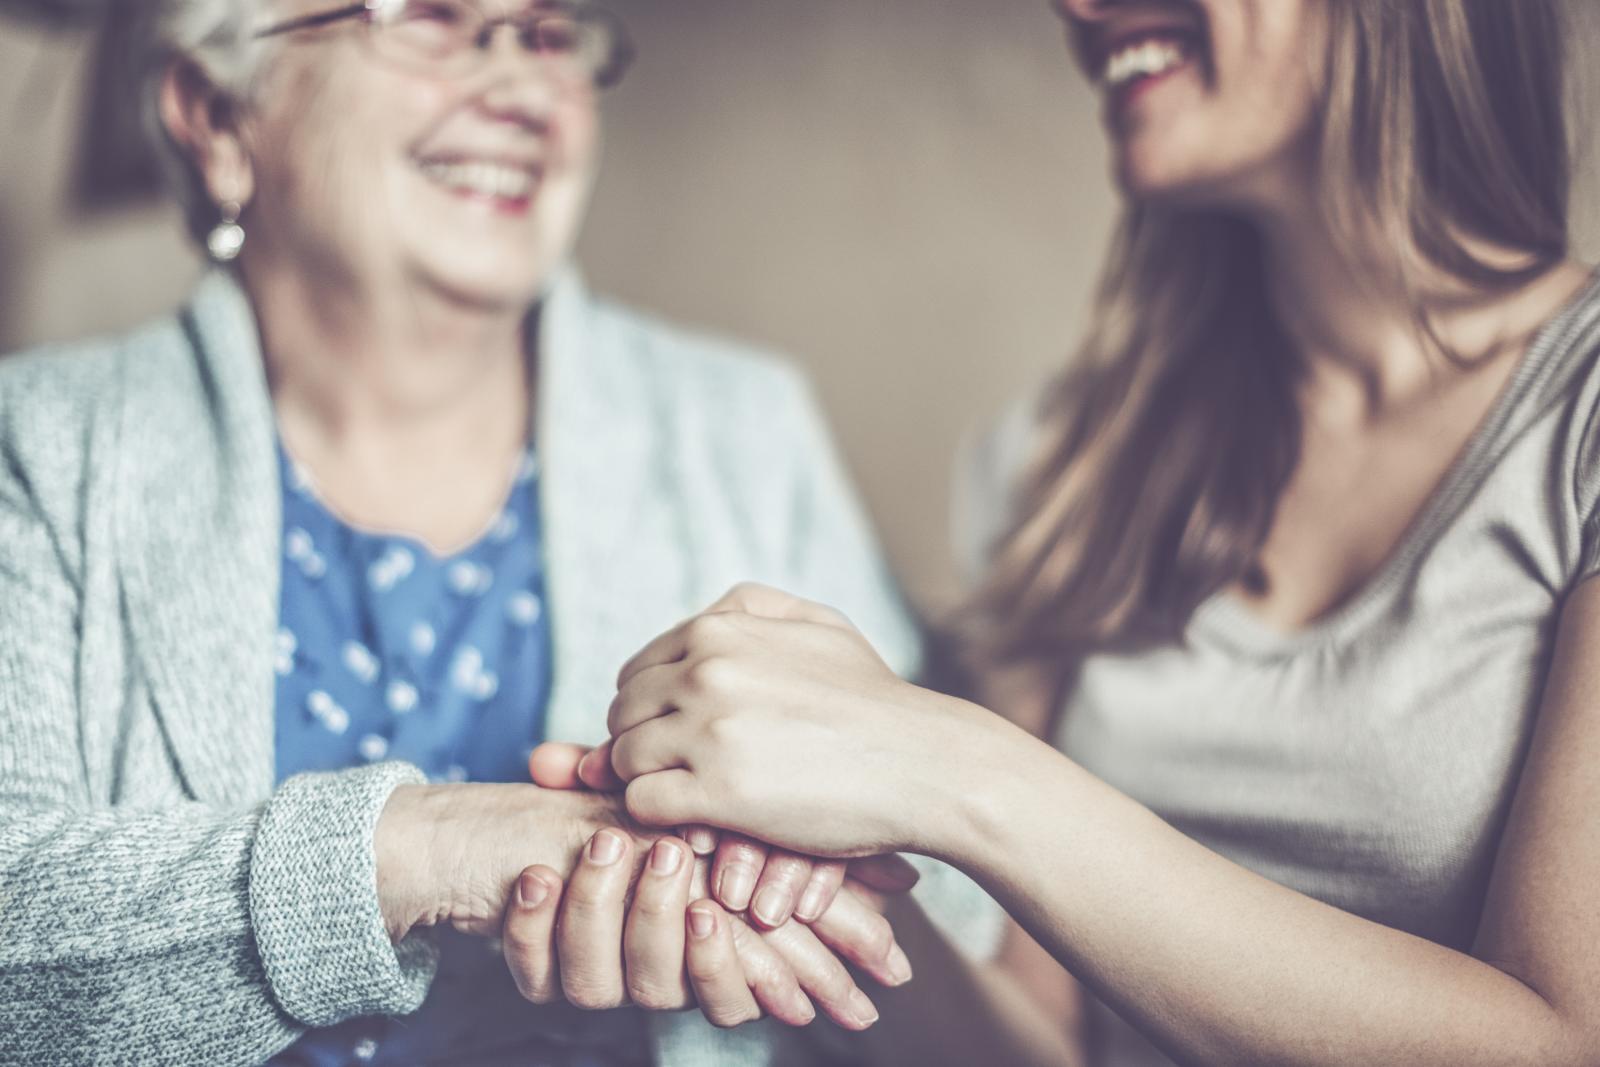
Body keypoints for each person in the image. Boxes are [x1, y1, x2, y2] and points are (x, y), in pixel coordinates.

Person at [592, 1, 1600, 1064]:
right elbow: (1037, 1049)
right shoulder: (1061, 458)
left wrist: (949, 767)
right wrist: (818, 897)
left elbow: (1563, 1040)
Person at [0, 1, 999, 1064]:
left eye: (547, 33)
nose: (523, 90)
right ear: (215, 113)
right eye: (432, 18)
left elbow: (948, 969)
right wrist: (429, 850)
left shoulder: (742, 428)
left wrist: (809, 882)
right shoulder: (41, 448)